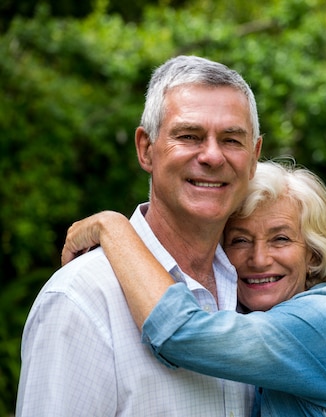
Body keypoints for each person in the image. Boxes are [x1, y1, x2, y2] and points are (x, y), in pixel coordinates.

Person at [61, 160, 326, 417]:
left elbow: (183, 332)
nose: (259, 259)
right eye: (241, 240)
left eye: (281, 239)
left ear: (314, 255)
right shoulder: (250, 321)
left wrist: (113, 227)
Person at [16, 55, 263, 416]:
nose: (211, 155)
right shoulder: (82, 299)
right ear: (146, 149)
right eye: (189, 136)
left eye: (231, 139)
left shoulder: (260, 289)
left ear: (254, 157)